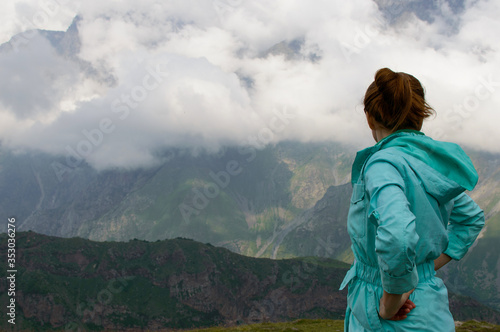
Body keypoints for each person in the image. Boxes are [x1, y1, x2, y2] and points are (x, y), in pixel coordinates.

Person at [339, 68, 485, 331]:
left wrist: (391, 300)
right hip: (429, 307)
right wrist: (419, 272)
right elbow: (471, 219)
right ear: (419, 118)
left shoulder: (382, 166)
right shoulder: (429, 166)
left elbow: (398, 236)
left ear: (370, 118)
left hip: (392, 315)